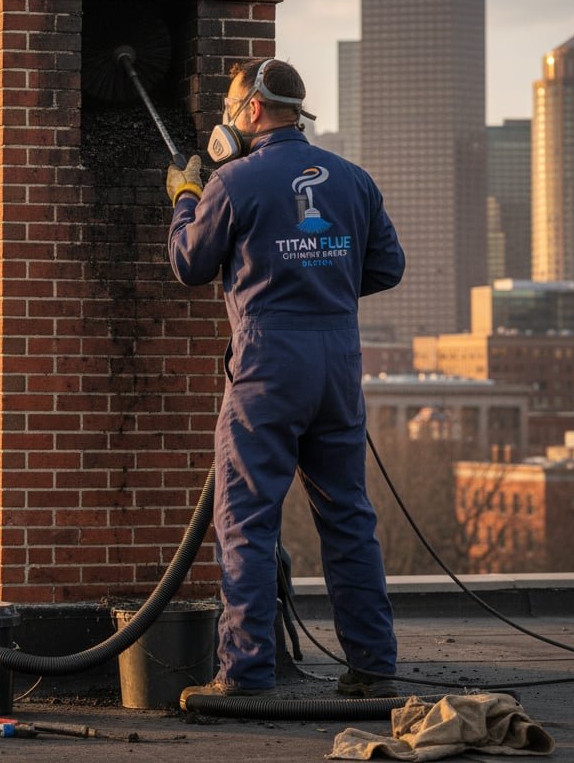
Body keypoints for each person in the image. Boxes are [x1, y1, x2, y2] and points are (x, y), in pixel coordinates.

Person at [166, 57, 405, 704]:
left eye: (230, 109)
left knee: (246, 518)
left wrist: (187, 199)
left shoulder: (235, 181)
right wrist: (322, 280)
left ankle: (244, 676)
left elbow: (191, 264)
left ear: (249, 112)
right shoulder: (353, 180)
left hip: (268, 366)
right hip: (336, 366)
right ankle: (373, 667)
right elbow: (388, 266)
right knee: (349, 517)